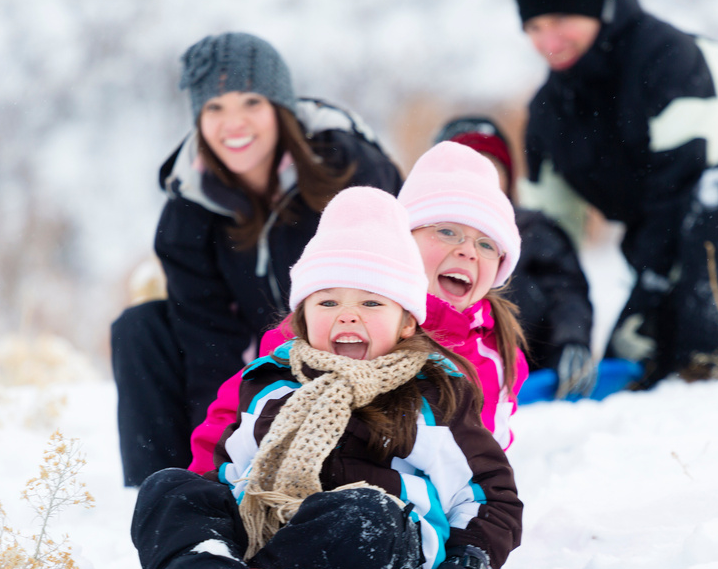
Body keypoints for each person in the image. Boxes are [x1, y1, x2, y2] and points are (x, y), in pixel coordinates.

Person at [130, 187, 523, 569]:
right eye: (328, 301)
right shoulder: (270, 384)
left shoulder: (433, 393)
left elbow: (489, 497)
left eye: (371, 302)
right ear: (302, 316)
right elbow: (228, 473)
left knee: (367, 513)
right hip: (264, 538)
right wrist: (196, 524)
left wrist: (468, 563)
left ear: (407, 321)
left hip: (377, 556)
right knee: (170, 487)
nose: (348, 315)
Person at [111, 32, 403, 488]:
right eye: (214, 108)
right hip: (256, 356)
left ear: (280, 107)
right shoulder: (189, 208)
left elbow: (396, 283)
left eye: (250, 102)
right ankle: (165, 490)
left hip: (351, 344)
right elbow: (205, 336)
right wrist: (215, 452)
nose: (234, 124)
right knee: (140, 328)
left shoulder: (349, 168)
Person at [513, 0, 718, 387]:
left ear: (596, 9)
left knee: (716, 208)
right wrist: (558, 334)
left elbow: (688, 177)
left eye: (561, 19)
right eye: (534, 27)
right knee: (633, 360)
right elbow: (548, 236)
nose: (547, 39)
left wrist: (650, 289)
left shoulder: (666, 54)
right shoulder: (549, 114)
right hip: (665, 234)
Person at [186, 140, 530, 472]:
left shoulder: (499, 352)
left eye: (486, 244)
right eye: (447, 231)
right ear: (404, 241)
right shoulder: (335, 318)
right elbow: (237, 411)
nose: (468, 251)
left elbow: (488, 459)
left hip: (415, 509)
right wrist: (206, 483)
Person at [434, 115, 595, 398]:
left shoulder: (534, 230)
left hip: (529, 371)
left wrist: (571, 340)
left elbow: (566, 293)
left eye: (491, 170)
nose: (481, 183)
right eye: (468, 171)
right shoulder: (422, 235)